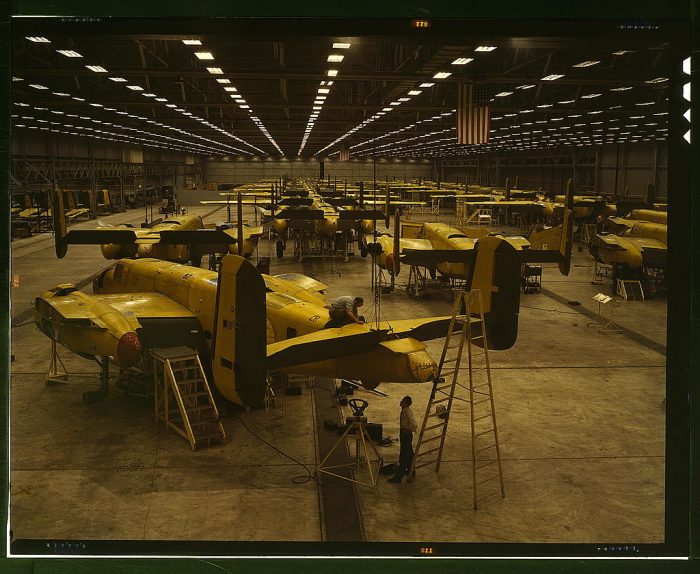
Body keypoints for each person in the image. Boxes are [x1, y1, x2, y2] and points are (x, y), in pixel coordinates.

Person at [388, 395, 417, 483]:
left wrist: (408, 430)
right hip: (404, 432)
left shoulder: (407, 411)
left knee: (403, 455)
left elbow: (414, 424)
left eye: (403, 401)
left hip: (406, 433)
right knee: (410, 453)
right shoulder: (404, 410)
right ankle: (411, 470)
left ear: (406, 403)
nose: (401, 402)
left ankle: (398, 477)